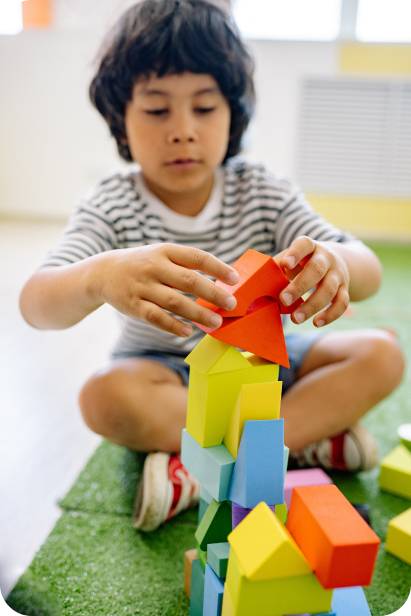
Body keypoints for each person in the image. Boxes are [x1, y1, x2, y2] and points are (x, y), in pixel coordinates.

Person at [19, 0, 405, 531]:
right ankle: (300, 441)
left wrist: (335, 261)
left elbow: (367, 269)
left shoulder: (261, 190)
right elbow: (36, 304)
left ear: (233, 114)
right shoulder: (112, 205)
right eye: (157, 110)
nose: (183, 130)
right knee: (104, 397)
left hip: (267, 364)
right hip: (166, 373)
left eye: (204, 108)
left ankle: (208, 462)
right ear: (121, 120)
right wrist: (98, 276)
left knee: (382, 355)